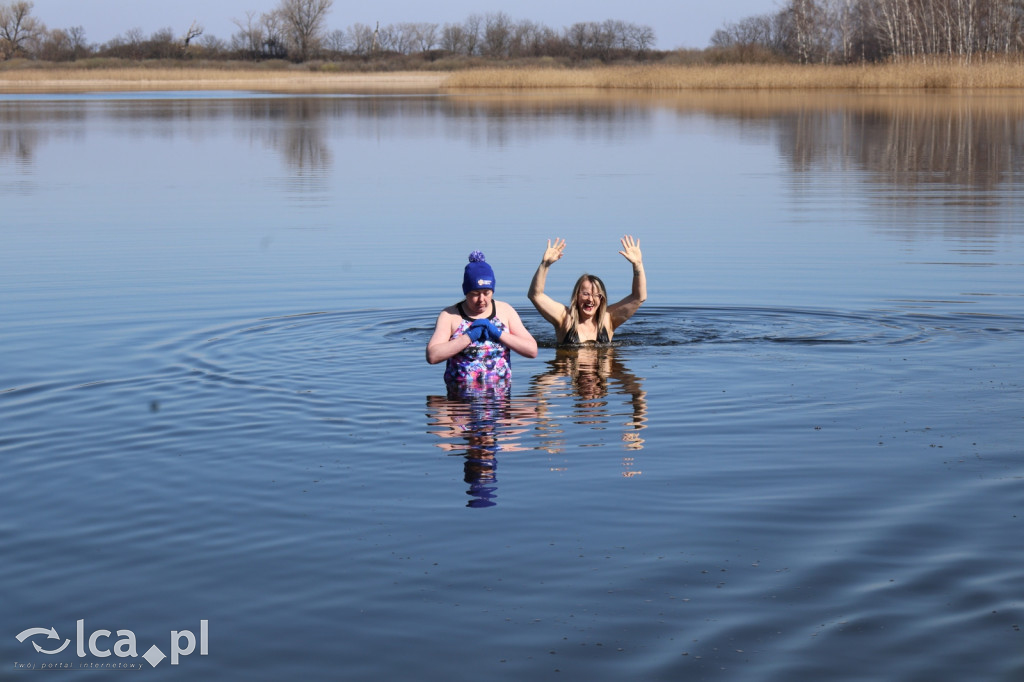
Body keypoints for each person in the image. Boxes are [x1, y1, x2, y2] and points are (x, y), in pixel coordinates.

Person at [426, 251, 538, 391]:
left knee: (532, 410)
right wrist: (469, 337)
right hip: (460, 399)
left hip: (500, 398)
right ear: (466, 292)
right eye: (475, 294)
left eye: (486, 293)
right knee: (437, 412)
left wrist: (498, 334)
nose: (481, 300)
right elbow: (432, 355)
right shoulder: (450, 315)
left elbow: (532, 350)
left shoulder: (505, 311)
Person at [528, 235, 647, 346]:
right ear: (577, 296)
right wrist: (545, 265)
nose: (590, 299)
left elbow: (638, 297)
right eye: (586, 294)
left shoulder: (608, 319)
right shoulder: (564, 318)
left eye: (596, 295)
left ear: (602, 299)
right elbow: (535, 295)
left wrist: (637, 264)